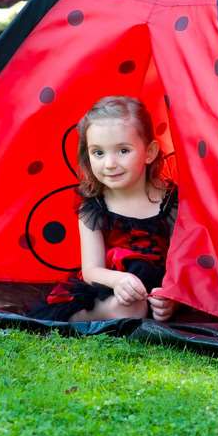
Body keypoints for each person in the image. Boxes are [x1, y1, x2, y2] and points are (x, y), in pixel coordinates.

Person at [30, 96, 179, 323]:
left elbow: (185, 264)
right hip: (109, 288)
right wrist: (118, 281)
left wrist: (172, 299)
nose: (109, 164)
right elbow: (91, 271)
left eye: (123, 151)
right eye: (98, 153)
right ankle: (81, 317)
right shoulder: (93, 206)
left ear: (149, 152)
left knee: (148, 307)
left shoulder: (171, 202)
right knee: (131, 309)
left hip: (158, 290)